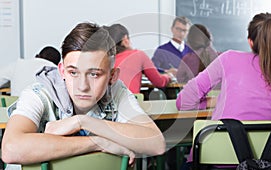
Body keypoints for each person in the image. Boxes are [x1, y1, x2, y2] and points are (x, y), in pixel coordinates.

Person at [1, 22, 165, 169]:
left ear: (112, 76)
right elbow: (10, 149)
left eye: (94, 74)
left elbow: (156, 143)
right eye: (73, 73)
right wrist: (97, 142)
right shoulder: (39, 93)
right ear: (62, 71)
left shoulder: (116, 91)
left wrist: (82, 122)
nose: (82, 86)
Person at [176, 12, 271, 169]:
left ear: (250, 42)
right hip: (265, 165)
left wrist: (210, 103)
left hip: (214, 161)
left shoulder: (228, 59)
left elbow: (183, 102)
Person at [104, 24, 171, 94]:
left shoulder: (106, 59)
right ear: (125, 39)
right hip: (130, 101)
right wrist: (168, 76)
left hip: (109, 102)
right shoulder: (138, 55)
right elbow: (159, 82)